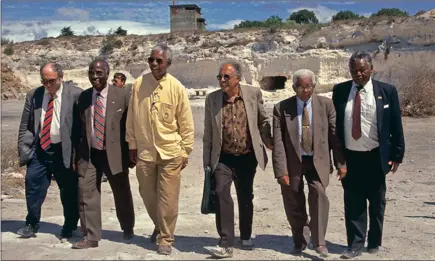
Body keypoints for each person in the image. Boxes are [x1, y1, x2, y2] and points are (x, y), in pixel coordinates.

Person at [332, 51, 405, 259]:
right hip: (351, 157)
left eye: (362, 69)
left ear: (371, 68)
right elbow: (336, 127)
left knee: (376, 202)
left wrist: (397, 154)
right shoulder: (340, 90)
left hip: (376, 156)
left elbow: (395, 125)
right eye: (354, 70)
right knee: (353, 202)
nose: (358, 74)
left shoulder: (387, 91)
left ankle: (374, 241)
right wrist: (338, 159)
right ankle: (354, 245)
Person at [126, 43, 194, 255]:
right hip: (145, 151)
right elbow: (131, 116)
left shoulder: (176, 88)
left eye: (159, 61)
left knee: (168, 198)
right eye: (151, 60)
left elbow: (186, 123)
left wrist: (185, 151)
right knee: (147, 193)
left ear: (168, 64)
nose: (154, 64)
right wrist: (132, 144)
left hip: (171, 151)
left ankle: (165, 238)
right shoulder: (138, 85)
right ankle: (159, 223)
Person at [272, 69, 346, 258]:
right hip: (292, 162)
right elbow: (278, 142)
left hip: (317, 161)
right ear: (294, 87)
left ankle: (320, 242)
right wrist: (281, 170)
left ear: (314, 86)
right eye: (301, 87)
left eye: (309, 86)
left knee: (319, 195)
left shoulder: (326, 105)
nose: (305, 91)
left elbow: (334, 136)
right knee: (293, 201)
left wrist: (340, 163)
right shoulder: (281, 108)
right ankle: (300, 240)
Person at [203, 62, 273, 258]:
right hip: (222, 157)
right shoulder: (212, 99)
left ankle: (246, 235)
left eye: (226, 77)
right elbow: (208, 133)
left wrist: (270, 141)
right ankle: (225, 242)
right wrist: (207, 163)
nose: (222, 80)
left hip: (247, 156)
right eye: (220, 77)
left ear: (238, 78)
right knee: (220, 193)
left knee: (245, 195)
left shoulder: (253, 94)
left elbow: (263, 120)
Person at [72, 59, 135, 249]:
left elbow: (129, 127)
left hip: (115, 153)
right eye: (91, 73)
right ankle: (91, 236)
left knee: (121, 192)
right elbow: (77, 130)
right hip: (89, 154)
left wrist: (132, 152)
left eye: (99, 73)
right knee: (86, 192)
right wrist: (76, 156)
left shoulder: (122, 95)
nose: (95, 77)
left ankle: (127, 228)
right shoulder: (83, 98)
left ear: (107, 73)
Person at [16, 62, 81, 239]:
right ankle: (31, 222)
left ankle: (69, 225)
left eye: (51, 81)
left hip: (63, 151)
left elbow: (80, 129)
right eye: (44, 81)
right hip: (40, 150)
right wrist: (24, 149)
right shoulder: (34, 95)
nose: (47, 85)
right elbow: (25, 125)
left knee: (69, 191)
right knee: (33, 185)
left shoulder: (75, 94)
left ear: (61, 77)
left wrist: (78, 156)